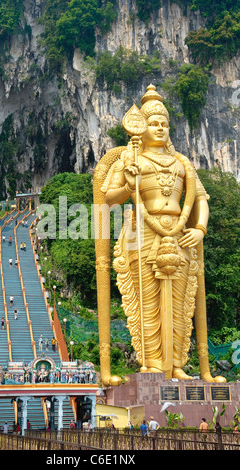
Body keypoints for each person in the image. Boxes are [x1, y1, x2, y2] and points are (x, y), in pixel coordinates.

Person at [94, 84, 225, 386]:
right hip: (141, 232)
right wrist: (129, 185)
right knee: (147, 299)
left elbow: (200, 199)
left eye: (165, 123)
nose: (161, 128)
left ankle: (177, 364)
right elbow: (108, 198)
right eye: (154, 123)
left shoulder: (183, 163)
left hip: (179, 234)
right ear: (140, 127)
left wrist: (200, 228)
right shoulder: (130, 159)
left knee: (181, 301)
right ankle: (153, 363)